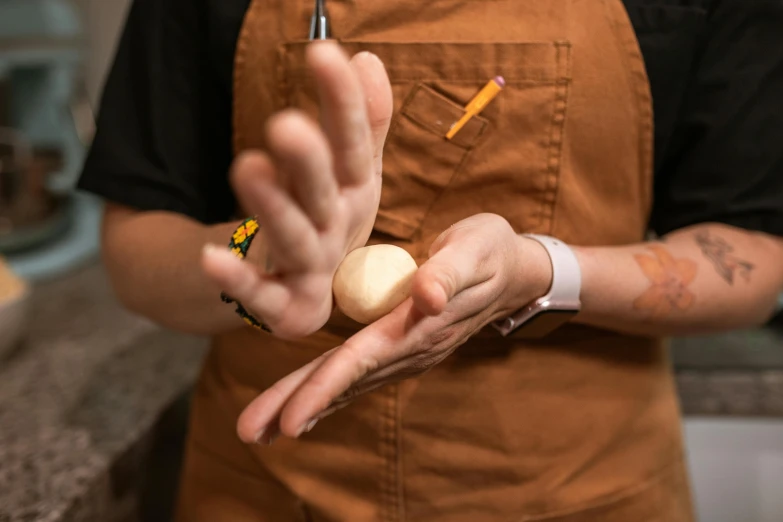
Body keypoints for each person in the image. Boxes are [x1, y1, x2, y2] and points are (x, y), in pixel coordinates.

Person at [78, 0, 783, 520]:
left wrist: (538, 271)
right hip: (266, 486)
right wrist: (257, 251)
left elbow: (751, 259)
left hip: (579, 489)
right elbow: (138, 245)